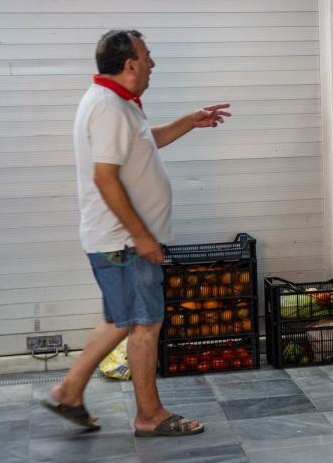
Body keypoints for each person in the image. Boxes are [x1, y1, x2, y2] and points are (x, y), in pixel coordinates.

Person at [43, 30, 231, 437]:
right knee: (145, 323)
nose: (152, 64)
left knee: (120, 319)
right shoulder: (108, 107)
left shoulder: (118, 103)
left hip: (120, 240)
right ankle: (149, 414)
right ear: (130, 64)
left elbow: (145, 143)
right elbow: (105, 178)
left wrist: (190, 121)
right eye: (147, 57)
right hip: (124, 242)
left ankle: (69, 391)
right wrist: (141, 236)